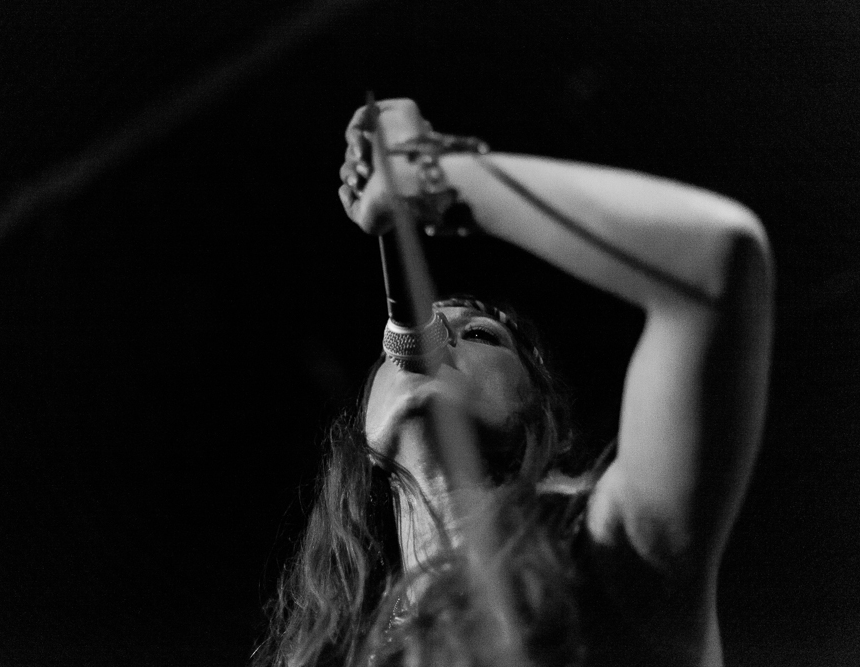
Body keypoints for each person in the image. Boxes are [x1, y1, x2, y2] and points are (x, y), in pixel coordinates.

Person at [253, 99, 773, 667]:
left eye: (480, 335)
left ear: (540, 414)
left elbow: (720, 259)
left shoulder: (609, 557)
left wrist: (431, 173)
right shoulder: (333, 650)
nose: (436, 335)